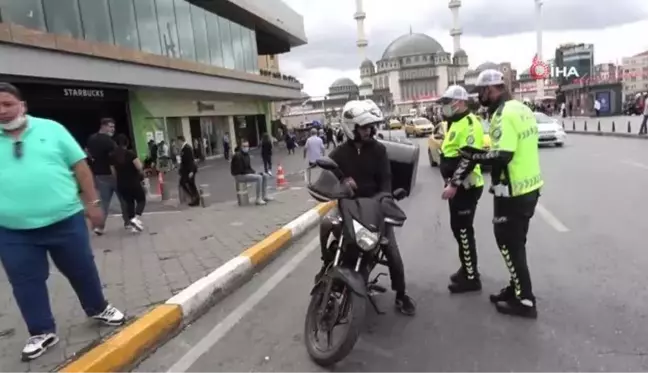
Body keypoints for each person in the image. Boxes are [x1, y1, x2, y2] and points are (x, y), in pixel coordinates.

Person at [0, 83, 125, 361]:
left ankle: (98, 308)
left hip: (64, 220)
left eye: (7, 104)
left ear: (22, 105)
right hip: (12, 230)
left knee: (81, 269)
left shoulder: (52, 129)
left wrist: (93, 204)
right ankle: (42, 331)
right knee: (25, 282)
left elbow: (81, 167)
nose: (2, 111)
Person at [461, 69, 543, 319]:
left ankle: (525, 300)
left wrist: (472, 155)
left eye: (481, 92)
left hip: (514, 191)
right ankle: (517, 286)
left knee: (508, 242)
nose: (480, 97)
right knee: (516, 242)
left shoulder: (503, 114)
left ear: (491, 89)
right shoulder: (521, 108)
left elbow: (503, 155)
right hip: (529, 186)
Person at [328, 99, 416, 316]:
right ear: (352, 128)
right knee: (328, 227)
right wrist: (341, 181)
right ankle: (328, 274)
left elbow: (386, 179)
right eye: (365, 127)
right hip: (349, 205)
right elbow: (329, 173)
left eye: (370, 127)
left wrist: (385, 199)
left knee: (391, 251)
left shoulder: (379, 150)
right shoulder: (339, 153)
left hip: (375, 206)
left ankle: (401, 294)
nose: (370, 130)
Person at [436, 86, 485, 294]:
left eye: (448, 102)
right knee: (458, 229)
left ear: (460, 102)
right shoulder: (454, 123)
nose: (445, 107)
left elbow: (470, 157)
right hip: (457, 186)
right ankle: (467, 267)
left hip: (466, 186)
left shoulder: (470, 123)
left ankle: (471, 277)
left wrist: (454, 184)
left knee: (464, 231)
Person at [86, 117, 127, 235]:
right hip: (112, 174)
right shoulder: (109, 141)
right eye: (110, 126)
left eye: (113, 127)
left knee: (104, 202)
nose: (113, 129)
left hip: (99, 175)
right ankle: (128, 222)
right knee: (123, 199)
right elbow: (115, 159)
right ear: (103, 126)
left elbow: (87, 153)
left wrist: (93, 162)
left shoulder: (91, 138)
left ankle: (99, 227)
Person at [111, 134, 146, 232]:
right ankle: (136, 218)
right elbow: (139, 167)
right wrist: (142, 176)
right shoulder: (131, 154)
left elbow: (113, 172)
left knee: (129, 202)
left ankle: (132, 222)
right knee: (141, 200)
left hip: (121, 184)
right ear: (127, 142)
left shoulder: (112, 156)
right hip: (133, 182)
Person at [230, 140, 273, 205]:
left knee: (265, 175)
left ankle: (265, 196)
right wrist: (254, 173)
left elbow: (249, 168)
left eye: (247, 146)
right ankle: (258, 199)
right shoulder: (238, 156)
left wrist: (255, 172)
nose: (246, 147)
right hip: (239, 175)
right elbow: (241, 170)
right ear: (241, 147)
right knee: (259, 177)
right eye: (244, 146)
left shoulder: (246, 155)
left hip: (245, 173)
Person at [176, 136, 200, 207]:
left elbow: (190, 160)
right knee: (189, 184)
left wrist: (191, 171)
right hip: (186, 171)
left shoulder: (187, 148)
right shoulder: (183, 148)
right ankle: (195, 198)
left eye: (178, 141)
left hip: (189, 170)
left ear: (181, 141)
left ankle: (194, 198)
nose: (178, 143)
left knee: (188, 184)